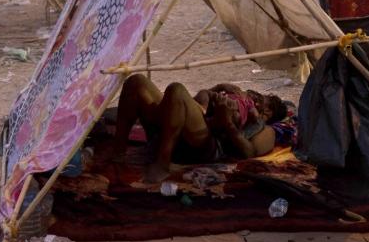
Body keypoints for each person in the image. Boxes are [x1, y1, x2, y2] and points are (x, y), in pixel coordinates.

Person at [109, 74, 289, 182]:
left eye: (264, 105)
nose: (257, 102)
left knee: (176, 90)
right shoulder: (238, 99)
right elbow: (195, 102)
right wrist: (217, 90)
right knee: (137, 82)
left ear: (268, 113)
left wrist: (226, 122)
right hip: (181, 126)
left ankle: (163, 163)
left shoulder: (264, 128)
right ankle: (117, 154)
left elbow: (249, 152)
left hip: (204, 144)